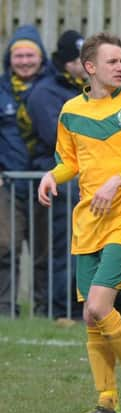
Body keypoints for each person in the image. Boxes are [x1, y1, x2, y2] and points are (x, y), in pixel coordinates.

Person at [37, 32, 121, 413]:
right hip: (89, 221)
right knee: (92, 318)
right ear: (90, 68)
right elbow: (70, 161)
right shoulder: (71, 110)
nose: (120, 66)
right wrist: (51, 175)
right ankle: (106, 403)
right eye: (112, 61)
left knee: (97, 306)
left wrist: (117, 180)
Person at [26, 29, 86, 320]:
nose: (85, 64)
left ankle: (80, 305)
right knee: (60, 246)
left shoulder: (84, 89)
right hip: (59, 182)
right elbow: (56, 136)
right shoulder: (45, 92)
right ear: (66, 62)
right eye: (78, 59)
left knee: (83, 246)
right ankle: (59, 307)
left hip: (83, 181)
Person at [0, 24, 52, 317]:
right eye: (17, 56)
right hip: (8, 183)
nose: (24, 61)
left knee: (45, 250)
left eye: (29, 55)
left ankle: (45, 309)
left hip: (47, 182)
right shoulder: (1, 90)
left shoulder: (54, 87)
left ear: (41, 57)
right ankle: (6, 309)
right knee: (5, 247)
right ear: (9, 59)